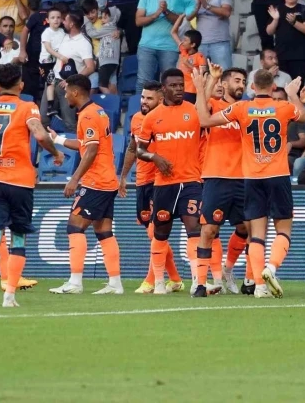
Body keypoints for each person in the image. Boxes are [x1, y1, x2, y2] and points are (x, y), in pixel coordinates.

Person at [194, 69, 305, 298]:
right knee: (282, 229)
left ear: (252, 87)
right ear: (274, 87)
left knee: (255, 234)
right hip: (277, 175)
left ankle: (258, 285)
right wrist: (292, 94)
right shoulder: (283, 107)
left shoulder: (242, 108)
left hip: (252, 177)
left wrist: (200, 87)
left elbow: (205, 120)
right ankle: (271, 268)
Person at [0, 64, 62, 307]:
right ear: (21, 85)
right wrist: (56, 153)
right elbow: (40, 135)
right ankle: (9, 295)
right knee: (18, 237)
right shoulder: (27, 107)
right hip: (20, 180)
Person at [47, 75, 123, 294]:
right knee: (104, 231)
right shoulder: (98, 111)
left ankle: (75, 282)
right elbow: (85, 144)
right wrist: (58, 140)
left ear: (76, 92)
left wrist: (74, 179)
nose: (65, 96)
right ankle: (115, 283)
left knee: (74, 227)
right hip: (107, 180)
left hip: (96, 181)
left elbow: (90, 150)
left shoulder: (88, 116)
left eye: (67, 92)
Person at [136, 68, 204, 295]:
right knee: (161, 233)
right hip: (164, 184)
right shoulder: (152, 118)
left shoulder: (193, 111)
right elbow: (139, 150)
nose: (179, 89)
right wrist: (154, 157)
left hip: (191, 181)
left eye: (181, 85)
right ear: (163, 89)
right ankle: (158, 282)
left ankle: (197, 281)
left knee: (194, 228)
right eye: (173, 86)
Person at [119, 82, 184, 293]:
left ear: (160, 99)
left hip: (161, 181)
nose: (144, 102)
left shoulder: (168, 118)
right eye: (143, 97)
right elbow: (133, 148)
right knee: (154, 235)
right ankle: (175, 279)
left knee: (154, 232)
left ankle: (151, 280)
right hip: (142, 181)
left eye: (149, 98)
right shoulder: (136, 119)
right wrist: (123, 176)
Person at [195, 65, 250, 295]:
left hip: (244, 177)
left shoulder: (246, 109)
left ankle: (230, 270)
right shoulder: (214, 106)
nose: (241, 85)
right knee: (209, 229)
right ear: (224, 84)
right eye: (237, 80)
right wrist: (211, 80)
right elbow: (200, 114)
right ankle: (200, 283)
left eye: (244, 81)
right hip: (216, 176)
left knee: (247, 229)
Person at [135, 0, 197, 93]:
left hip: (169, 47)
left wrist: (166, 11)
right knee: (143, 81)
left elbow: (180, 22)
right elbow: (138, 21)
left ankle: (166, 105)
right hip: (146, 46)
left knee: (169, 81)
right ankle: (141, 105)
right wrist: (156, 14)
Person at [52, 13, 95, 130]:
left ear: (71, 24)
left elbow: (90, 67)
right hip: (53, 81)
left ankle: (74, 142)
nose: (63, 22)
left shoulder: (84, 42)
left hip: (68, 86)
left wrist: (71, 81)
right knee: (44, 118)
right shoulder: (63, 36)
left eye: (65, 20)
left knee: (69, 123)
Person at [266, 0, 305, 86]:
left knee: (297, 87)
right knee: (281, 87)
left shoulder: (303, 9)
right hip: (280, 55)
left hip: (299, 56)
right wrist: (275, 19)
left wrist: (294, 22)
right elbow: (269, 31)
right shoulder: (277, 9)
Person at [190, 0, 233, 70]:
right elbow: (188, 17)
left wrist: (207, 6)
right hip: (200, 44)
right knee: (199, 75)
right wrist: (197, 7)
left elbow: (226, 12)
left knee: (223, 74)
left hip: (220, 43)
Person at [84, 7, 121, 94]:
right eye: (102, 17)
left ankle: (112, 100)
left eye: (105, 18)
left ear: (112, 18)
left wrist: (87, 21)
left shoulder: (109, 27)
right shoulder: (113, 28)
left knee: (102, 85)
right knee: (111, 83)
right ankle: (116, 101)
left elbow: (93, 34)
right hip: (112, 61)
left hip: (107, 62)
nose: (102, 20)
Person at [171, 20, 206, 103]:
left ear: (193, 45)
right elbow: (173, 32)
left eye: (185, 40)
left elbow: (203, 74)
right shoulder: (183, 51)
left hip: (191, 91)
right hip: (179, 88)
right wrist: (181, 17)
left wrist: (188, 64)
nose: (182, 42)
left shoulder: (200, 56)